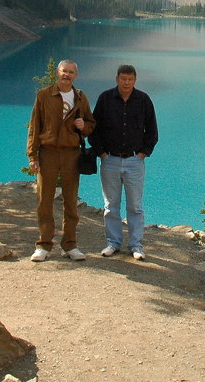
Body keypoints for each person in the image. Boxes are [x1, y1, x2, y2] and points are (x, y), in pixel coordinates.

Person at [26, 59, 94, 262]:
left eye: (71, 72)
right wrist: (32, 155)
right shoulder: (44, 96)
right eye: (64, 71)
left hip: (71, 154)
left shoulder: (81, 98)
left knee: (71, 201)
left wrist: (84, 126)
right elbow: (34, 127)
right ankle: (44, 245)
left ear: (75, 75)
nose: (67, 75)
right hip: (48, 153)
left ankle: (70, 245)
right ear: (58, 72)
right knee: (44, 200)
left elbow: (92, 124)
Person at [90, 63, 158, 260]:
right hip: (110, 159)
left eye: (130, 79)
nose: (126, 82)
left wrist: (143, 153)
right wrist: (101, 153)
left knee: (135, 206)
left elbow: (152, 131)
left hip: (134, 161)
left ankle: (136, 245)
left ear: (135, 80)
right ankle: (113, 243)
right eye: (123, 79)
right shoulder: (105, 98)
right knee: (111, 205)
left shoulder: (143, 100)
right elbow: (94, 128)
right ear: (117, 79)